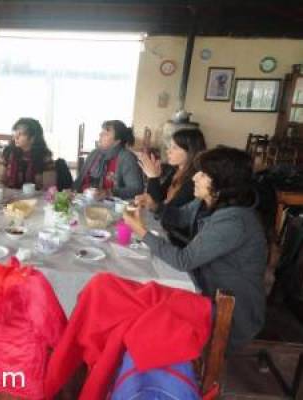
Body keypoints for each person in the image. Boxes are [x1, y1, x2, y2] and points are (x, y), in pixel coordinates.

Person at [123, 147, 267, 351]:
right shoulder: (208, 202)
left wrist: (142, 232)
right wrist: (155, 206)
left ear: (221, 182)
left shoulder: (234, 221)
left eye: (203, 174)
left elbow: (184, 260)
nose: (194, 178)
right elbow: (180, 217)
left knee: (146, 307)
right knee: (146, 293)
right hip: (206, 287)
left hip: (232, 311)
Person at [136, 128, 206, 211]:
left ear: (190, 151)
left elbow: (172, 212)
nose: (168, 151)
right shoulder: (176, 171)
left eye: (175, 148)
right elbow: (157, 199)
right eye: (170, 147)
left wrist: (153, 177)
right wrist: (154, 177)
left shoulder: (195, 179)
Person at [73, 120, 144, 200]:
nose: (100, 135)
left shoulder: (127, 158)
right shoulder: (94, 153)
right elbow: (80, 180)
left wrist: (109, 192)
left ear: (117, 141)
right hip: (84, 201)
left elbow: (137, 189)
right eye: (101, 132)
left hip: (110, 207)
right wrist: (72, 191)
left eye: (106, 133)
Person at [0, 117, 56, 190]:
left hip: (35, 199)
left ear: (33, 138)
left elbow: (49, 188)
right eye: (16, 133)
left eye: (20, 134)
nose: (16, 137)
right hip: (10, 197)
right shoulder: (7, 153)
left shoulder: (44, 157)